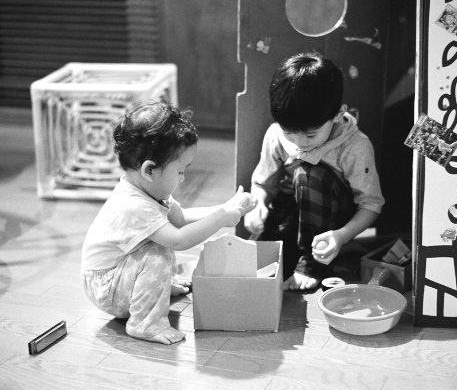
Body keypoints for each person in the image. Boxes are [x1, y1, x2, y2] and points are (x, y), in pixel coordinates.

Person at [81, 101, 256, 345]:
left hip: (118, 274)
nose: (183, 178)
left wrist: (225, 208)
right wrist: (221, 219)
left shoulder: (150, 191)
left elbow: (181, 219)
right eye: (180, 171)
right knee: (159, 252)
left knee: (160, 241)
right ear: (149, 170)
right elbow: (179, 240)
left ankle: (155, 288)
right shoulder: (134, 205)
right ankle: (145, 324)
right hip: (105, 287)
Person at [244, 52, 384, 291]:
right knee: (256, 261)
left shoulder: (355, 146)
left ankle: (313, 264)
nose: (300, 143)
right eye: (289, 133)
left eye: (310, 135)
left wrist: (342, 236)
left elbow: (371, 204)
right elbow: (263, 183)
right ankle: (296, 253)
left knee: (308, 174)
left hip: (331, 218)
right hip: (293, 211)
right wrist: (258, 205)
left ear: (337, 114)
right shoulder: (276, 134)